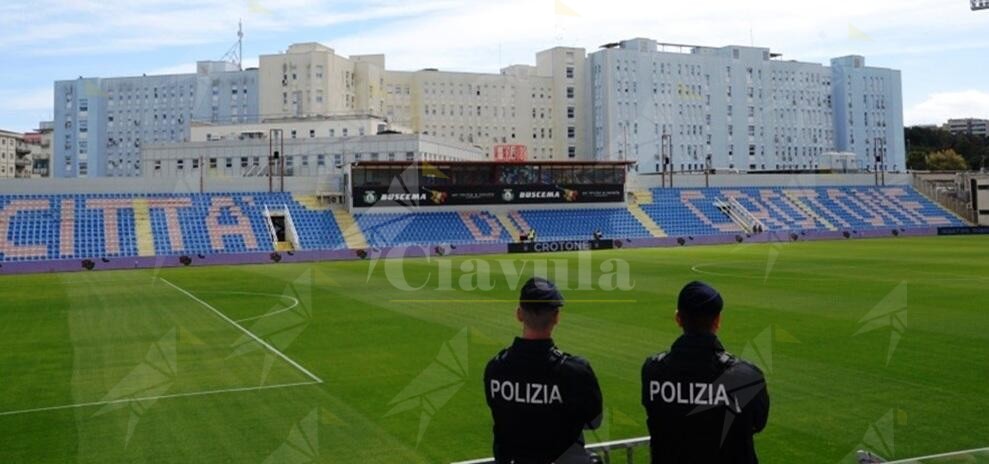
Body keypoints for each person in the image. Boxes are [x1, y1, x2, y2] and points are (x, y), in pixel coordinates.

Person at [641, 281, 769, 464]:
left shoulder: (652, 370)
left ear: (678, 319)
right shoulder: (747, 377)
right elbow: (757, 423)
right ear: (717, 321)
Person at [485, 277, 603, 464]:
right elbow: (593, 422)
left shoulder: (495, 368)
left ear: (519, 314)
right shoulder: (575, 371)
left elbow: (500, 415)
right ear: (556, 317)